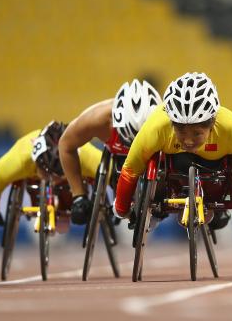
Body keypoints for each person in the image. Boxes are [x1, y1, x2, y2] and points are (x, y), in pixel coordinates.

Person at [112, 72, 232, 226]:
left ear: (212, 123)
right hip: (174, 171)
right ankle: (161, 210)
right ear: (171, 122)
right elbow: (130, 170)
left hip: (216, 172)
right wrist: (122, 208)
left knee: (217, 218)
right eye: (180, 130)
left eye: (197, 133)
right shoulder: (157, 126)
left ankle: (218, 211)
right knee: (153, 165)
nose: (188, 141)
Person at [59, 79, 161, 225]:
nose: (135, 148)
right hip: (117, 161)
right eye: (130, 141)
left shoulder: (168, 121)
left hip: (154, 160)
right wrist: (78, 195)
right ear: (115, 122)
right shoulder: (97, 119)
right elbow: (65, 145)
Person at [0, 121, 102, 229]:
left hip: (71, 177)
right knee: (34, 185)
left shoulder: (86, 156)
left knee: (71, 196)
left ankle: (67, 196)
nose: (53, 180)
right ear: (37, 161)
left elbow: (115, 175)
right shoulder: (19, 159)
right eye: (48, 173)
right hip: (34, 176)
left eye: (57, 174)